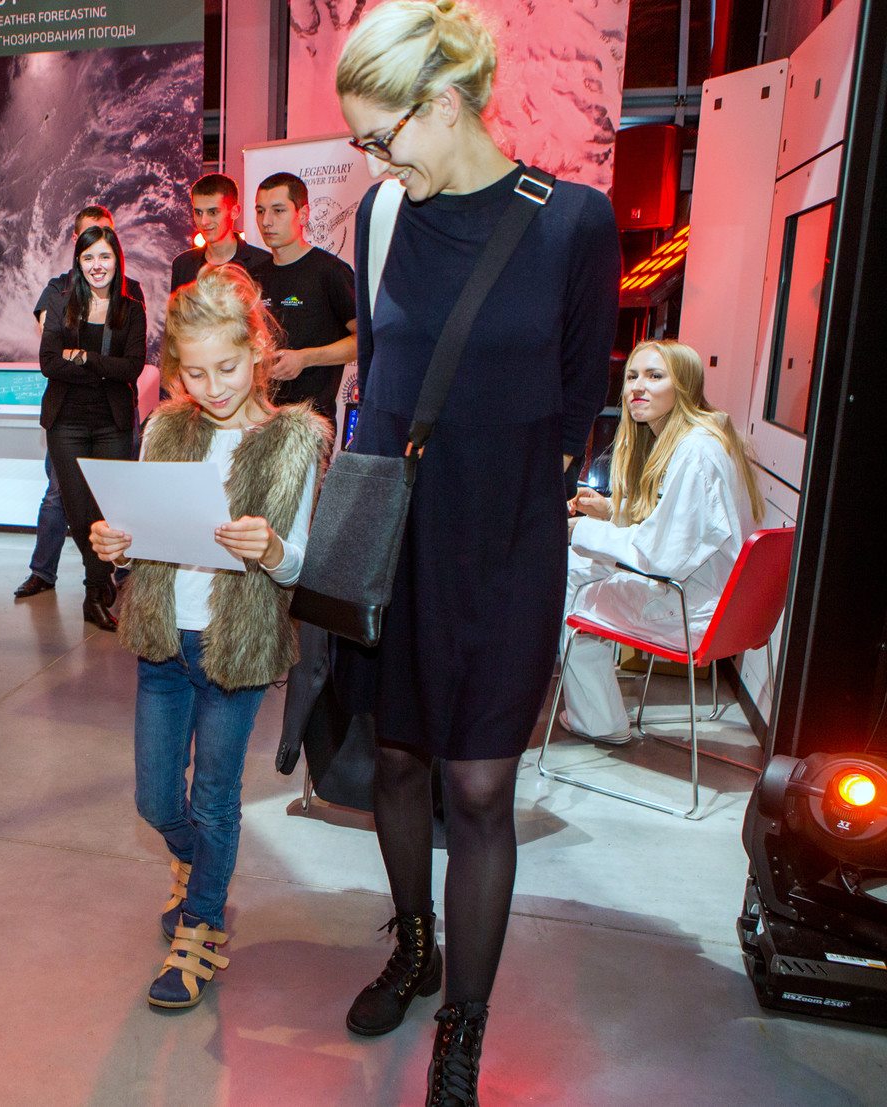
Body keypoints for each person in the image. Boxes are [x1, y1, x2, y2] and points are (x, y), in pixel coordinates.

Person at [333, 2, 620, 1103]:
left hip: (505, 541)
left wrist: (515, 515)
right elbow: (381, 379)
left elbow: (576, 405)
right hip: (397, 538)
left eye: (381, 135)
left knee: (481, 782)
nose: (375, 161)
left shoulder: (572, 223)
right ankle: (413, 945)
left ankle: (464, 1027)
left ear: (444, 104)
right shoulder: (380, 219)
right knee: (399, 760)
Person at [90, 264, 331, 1009]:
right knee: (157, 799)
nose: (213, 386)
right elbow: (143, 532)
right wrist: (116, 545)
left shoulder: (294, 440)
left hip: (238, 652)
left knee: (216, 799)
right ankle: (201, 869)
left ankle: (201, 925)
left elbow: (299, 563)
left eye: (226, 367)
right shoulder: (166, 427)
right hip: (164, 642)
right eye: (194, 373)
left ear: (258, 349)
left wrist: (273, 549)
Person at [562, 340, 763, 740]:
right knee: (575, 568)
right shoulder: (700, 439)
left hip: (694, 611)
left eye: (655, 376)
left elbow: (661, 554)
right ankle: (595, 709)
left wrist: (576, 530)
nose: (637, 387)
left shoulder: (695, 452)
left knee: (568, 585)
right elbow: (675, 528)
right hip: (715, 602)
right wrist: (609, 510)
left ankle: (598, 721)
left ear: (684, 385)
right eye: (632, 376)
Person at [16, 206, 145, 599]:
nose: (97, 261)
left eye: (105, 248)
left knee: (112, 505)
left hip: (113, 419)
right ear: (77, 248)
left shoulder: (131, 297)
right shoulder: (58, 293)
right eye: (89, 250)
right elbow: (50, 361)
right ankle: (51, 574)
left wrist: (85, 359)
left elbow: (131, 366)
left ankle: (106, 580)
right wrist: (103, 367)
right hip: (67, 419)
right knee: (64, 499)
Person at [254, 172, 360, 423]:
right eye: (260, 211)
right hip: (258, 418)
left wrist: (305, 358)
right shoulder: (254, 276)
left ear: (303, 214)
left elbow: (364, 341)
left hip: (309, 423)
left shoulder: (330, 271)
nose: (266, 221)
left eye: (278, 210)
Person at [169, 174, 272, 291]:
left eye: (213, 212)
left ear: (234, 212)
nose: (204, 221)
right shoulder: (183, 265)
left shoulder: (263, 264)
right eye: (198, 213)